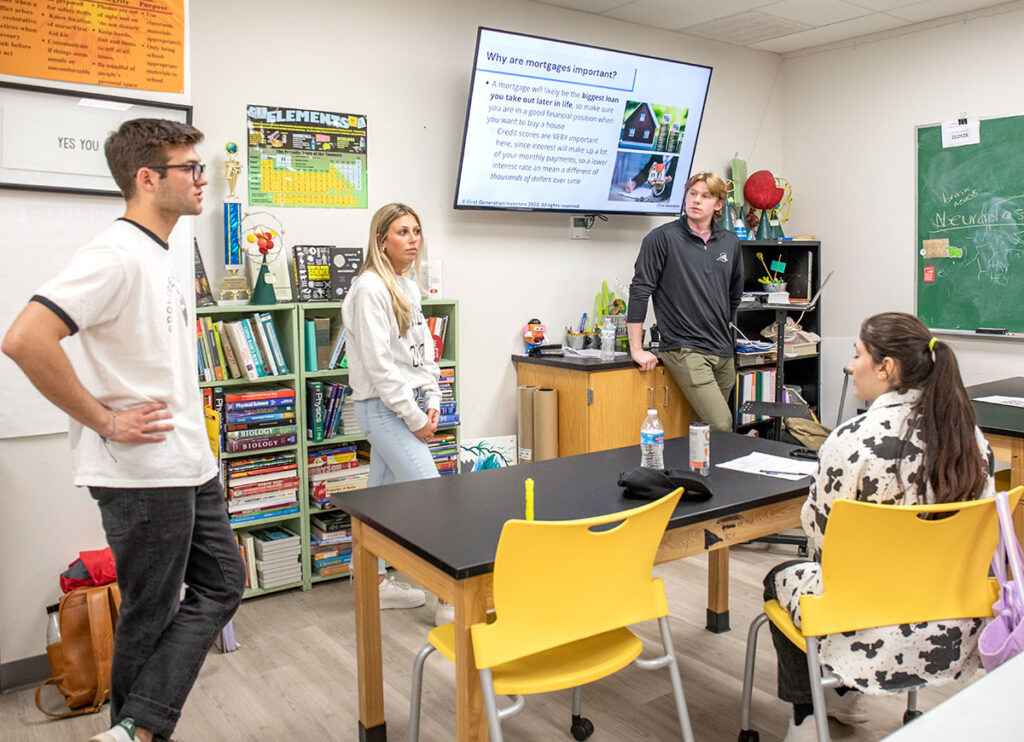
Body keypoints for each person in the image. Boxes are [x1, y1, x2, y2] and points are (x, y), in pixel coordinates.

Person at [2, 119, 245, 742]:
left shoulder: (164, 249)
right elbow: (26, 339)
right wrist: (105, 419)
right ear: (147, 178)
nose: (202, 178)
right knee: (150, 612)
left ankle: (136, 726)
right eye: (189, 168)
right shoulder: (114, 254)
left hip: (191, 463)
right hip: (142, 475)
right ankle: (135, 732)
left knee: (222, 584)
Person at [764, 312, 995, 742]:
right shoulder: (972, 440)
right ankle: (844, 699)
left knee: (779, 578)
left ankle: (809, 714)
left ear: (886, 368)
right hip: (949, 614)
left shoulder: (852, 439)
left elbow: (819, 534)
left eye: (857, 355)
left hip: (863, 616)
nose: (851, 366)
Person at [341, 203, 451, 624]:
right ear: (381, 240)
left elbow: (422, 357)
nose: (413, 239)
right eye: (402, 232)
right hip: (383, 411)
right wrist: (414, 417)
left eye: (417, 231)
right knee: (434, 498)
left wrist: (435, 401)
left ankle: (374, 583)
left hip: (408, 406)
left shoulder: (408, 286)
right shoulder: (369, 289)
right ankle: (450, 599)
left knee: (377, 506)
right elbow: (380, 368)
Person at [627, 170, 743, 431]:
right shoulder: (662, 238)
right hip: (685, 349)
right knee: (721, 425)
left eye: (705, 196)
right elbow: (639, 292)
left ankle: (693, 472)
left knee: (704, 430)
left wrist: (723, 328)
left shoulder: (730, 243)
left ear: (718, 204)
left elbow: (733, 295)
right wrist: (636, 348)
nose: (696, 200)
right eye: (692, 194)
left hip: (723, 351)